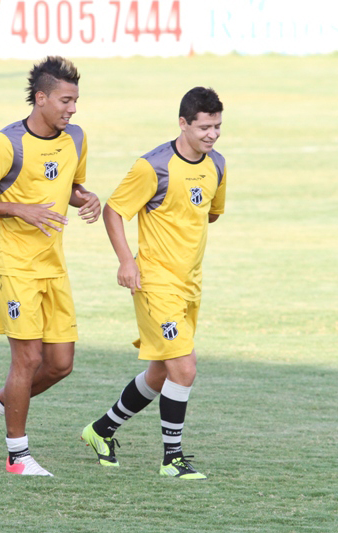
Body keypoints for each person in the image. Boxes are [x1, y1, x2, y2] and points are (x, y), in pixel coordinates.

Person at [0, 56, 101, 476]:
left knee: (60, 364)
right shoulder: (7, 143)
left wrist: (85, 197)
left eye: (75, 101)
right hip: (13, 265)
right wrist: (20, 209)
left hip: (53, 266)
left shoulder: (75, 137)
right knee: (28, 358)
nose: (72, 109)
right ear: (41, 99)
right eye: (65, 100)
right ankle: (18, 456)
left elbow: (68, 186)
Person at [80, 87, 226, 480]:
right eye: (204, 127)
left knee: (162, 373)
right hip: (154, 281)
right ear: (183, 123)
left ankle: (101, 430)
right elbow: (114, 211)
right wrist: (127, 261)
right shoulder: (154, 166)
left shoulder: (218, 165)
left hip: (190, 284)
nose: (211, 135)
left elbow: (209, 213)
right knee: (185, 367)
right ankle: (172, 459)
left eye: (217, 127)